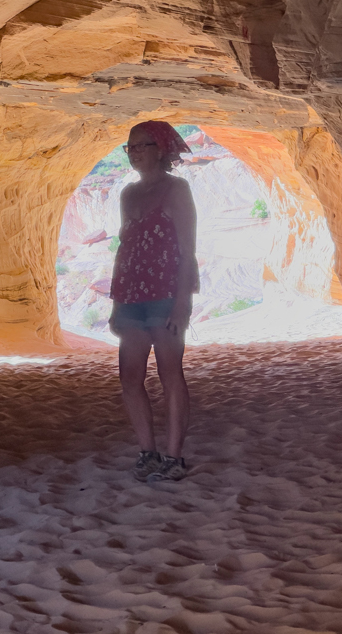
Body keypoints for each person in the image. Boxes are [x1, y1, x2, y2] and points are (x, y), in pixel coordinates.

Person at [108, 121, 199, 482]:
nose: (133, 153)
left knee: (169, 374)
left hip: (165, 295)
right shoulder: (128, 195)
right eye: (129, 147)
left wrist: (182, 303)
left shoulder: (176, 190)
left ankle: (174, 458)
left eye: (141, 146)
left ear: (160, 148)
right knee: (129, 377)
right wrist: (116, 302)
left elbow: (187, 249)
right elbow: (125, 247)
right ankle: (148, 452)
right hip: (131, 295)